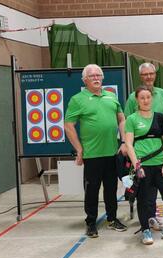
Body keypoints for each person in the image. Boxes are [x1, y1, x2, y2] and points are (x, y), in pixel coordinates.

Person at [64, 64, 128, 238]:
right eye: (92, 76)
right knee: (92, 190)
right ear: (85, 80)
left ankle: (112, 218)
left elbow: (121, 119)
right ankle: (91, 222)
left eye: (98, 75)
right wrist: (79, 149)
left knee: (111, 188)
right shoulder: (78, 99)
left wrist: (123, 141)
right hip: (92, 155)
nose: (96, 78)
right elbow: (68, 126)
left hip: (112, 153)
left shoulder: (111, 96)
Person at [124, 86, 163, 245]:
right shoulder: (132, 119)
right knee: (143, 200)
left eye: (148, 97)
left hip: (160, 166)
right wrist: (137, 166)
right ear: (137, 100)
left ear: (152, 99)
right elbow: (129, 145)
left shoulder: (160, 117)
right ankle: (145, 231)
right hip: (143, 166)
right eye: (142, 98)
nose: (145, 100)